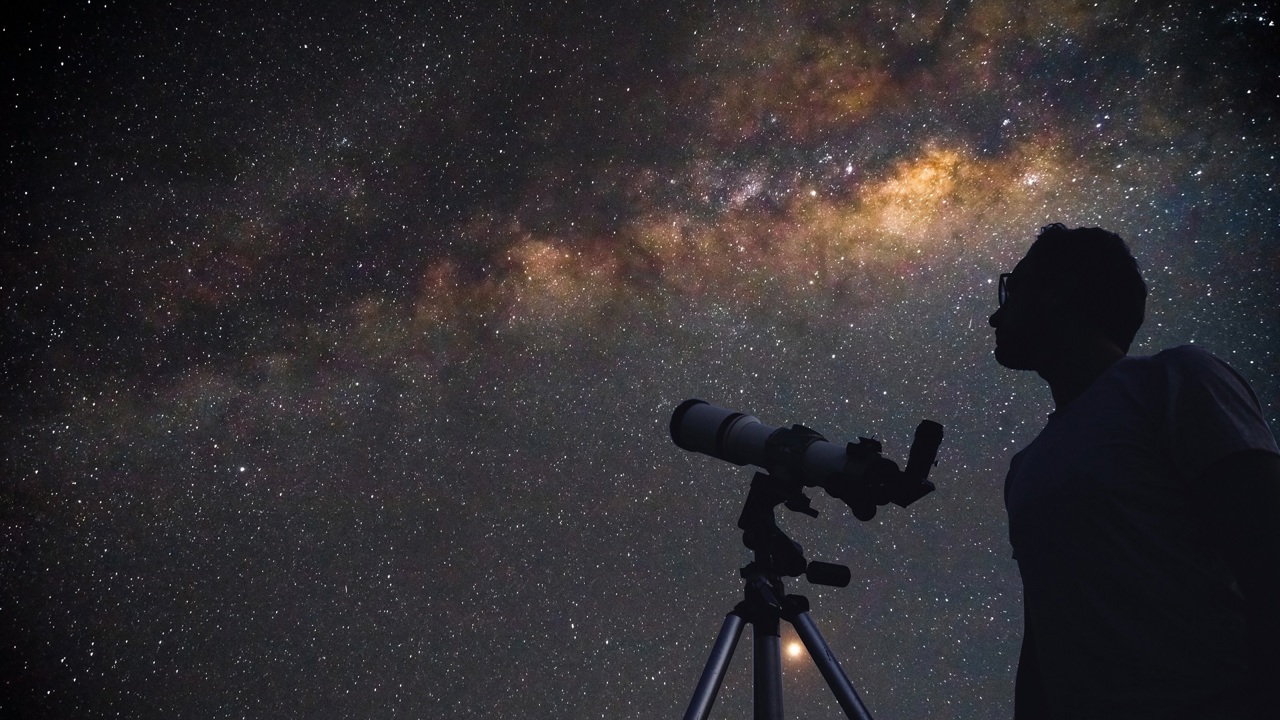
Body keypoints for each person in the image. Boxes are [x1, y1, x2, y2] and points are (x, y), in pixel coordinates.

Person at [987, 223, 1280, 720]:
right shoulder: (1025, 469)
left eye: (1013, 289)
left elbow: (1267, 546)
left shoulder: (1178, 380)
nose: (995, 315)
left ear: (1062, 291)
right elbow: (1044, 636)